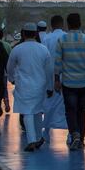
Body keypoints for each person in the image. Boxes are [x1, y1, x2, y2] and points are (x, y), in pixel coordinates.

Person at [54, 13, 85, 150]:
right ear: (80, 24)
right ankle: (81, 140)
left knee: (70, 110)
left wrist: (56, 79)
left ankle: (75, 134)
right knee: (81, 110)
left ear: (68, 25)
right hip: (84, 82)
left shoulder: (62, 40)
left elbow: (57, 63)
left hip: (68, 83)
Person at [8, 23, 54, 151]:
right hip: (40, 85)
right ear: (35, 34)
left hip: (23, 86)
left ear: (23, 34)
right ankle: (39, 138)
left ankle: (32, 140)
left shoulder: (17, 49)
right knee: (38, 112)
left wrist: (12, 79)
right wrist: (50, 87)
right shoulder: (43, 49)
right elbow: (49, 70)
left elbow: (10, 67)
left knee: (27, 112)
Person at [41, 15, 68, 141]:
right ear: (62, 24)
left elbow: (44, 58)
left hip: (50, 74)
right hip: (64, 74)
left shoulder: (46, 38)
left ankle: (46, 129)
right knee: (66, 104)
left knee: (49, 103)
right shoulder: (66, 37)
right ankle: (70, 133)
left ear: (51, 25)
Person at [0, 28, 12, 113]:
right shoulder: (7, 45)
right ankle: (7, 104)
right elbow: (10, 58)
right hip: (4, 71)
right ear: (2, 36)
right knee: (4, 88)